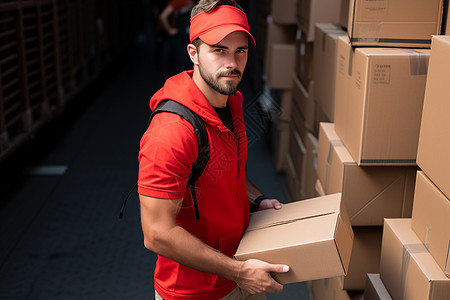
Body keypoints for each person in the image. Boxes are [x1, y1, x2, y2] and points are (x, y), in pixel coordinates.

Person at [138, 1, 290, 299]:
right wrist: (240, 272)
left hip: (241, 270)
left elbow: (226, 170)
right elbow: (157, 233)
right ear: (193, 53)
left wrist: (257, 201)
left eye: (240, 50)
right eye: (219, 50)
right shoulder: (171, 132)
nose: (232, 63)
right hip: (194, 292)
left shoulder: (230, 100)